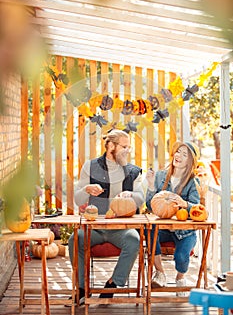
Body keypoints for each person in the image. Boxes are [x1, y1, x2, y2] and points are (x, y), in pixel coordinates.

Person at [68, 129, 144, 305]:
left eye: (129, 147)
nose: (128, 151)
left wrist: (130, 194)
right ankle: (81, 288)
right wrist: (86, 190)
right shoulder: (90, 166)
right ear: (110, 146)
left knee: (134, 240)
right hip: (95, 227)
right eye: (124, 147)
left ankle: (113, 283)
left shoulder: (132, 171)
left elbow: (141, 198)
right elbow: (78, 198)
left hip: (121, 228)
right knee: (74, 240)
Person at [145, 141, 200, 295]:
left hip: (185, 232)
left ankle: (180, 278)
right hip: (163, 229)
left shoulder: (193, 182)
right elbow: (151, 207)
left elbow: (197, 209)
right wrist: (150, 186)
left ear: (190, 162)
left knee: (181, 257)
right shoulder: (161, 176)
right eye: (178, 152)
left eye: (185, 155)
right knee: (149, 232)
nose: (179, 156)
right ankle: (160, 273)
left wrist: (185, 204)